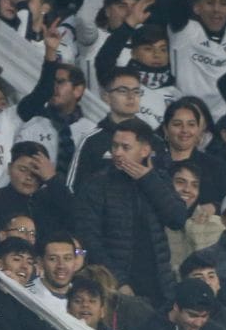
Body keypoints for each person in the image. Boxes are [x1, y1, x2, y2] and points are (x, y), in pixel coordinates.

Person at [73, 117, 188, 305]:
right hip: (115, 286)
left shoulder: (158, 179)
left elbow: (177, 218)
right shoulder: (96, 184)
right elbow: (88, 238)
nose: (117, 153)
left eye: (125, 148)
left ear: (145, 150)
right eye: (115, 146)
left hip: (158, 285)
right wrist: (118, 281)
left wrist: (148, 180)